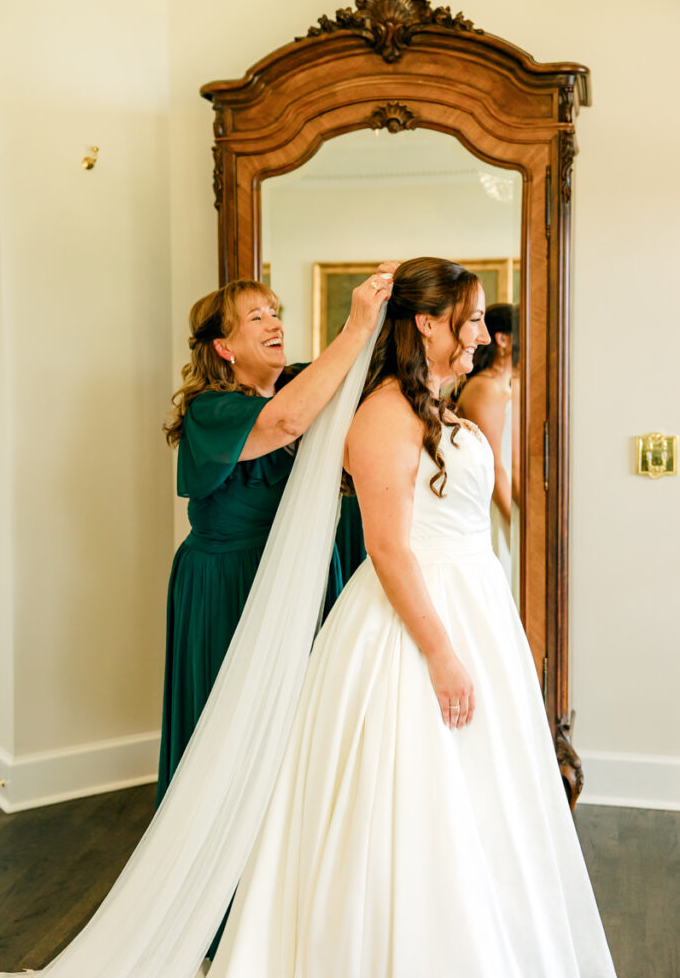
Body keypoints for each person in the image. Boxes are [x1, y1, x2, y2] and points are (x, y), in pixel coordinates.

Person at [208, 259, 617, 976]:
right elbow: (388, 547)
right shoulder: (383, 413)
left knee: (486, 799)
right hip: (410, 630)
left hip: (473, 609)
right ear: (425, 322)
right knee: (409, 802)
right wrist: (441, 653)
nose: (484, 336)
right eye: (471, 319)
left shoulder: (443, 408)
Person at [156, 271, 394, 807]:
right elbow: (284, 424)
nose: (274, 322)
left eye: (275, 311)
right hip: (228, 580)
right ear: (225, 347)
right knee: (233, 717)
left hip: (298, 571)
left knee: (301, 715)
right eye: (256, 317)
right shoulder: (210, 411)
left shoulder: (300, 384)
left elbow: (368, 372)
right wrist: (355, 325)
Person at [457, 301, 520, 591]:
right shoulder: (485, 388)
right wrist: (517, 525)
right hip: (495, 503)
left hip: (511, 495)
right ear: (504, 339)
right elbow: (495, 465)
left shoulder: (507, 385)